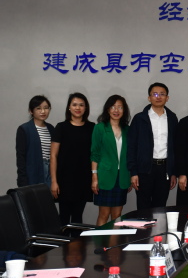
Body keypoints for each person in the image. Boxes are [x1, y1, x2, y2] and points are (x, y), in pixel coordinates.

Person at [127, 83, 178, 210]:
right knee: (143, 206)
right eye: (155, 94)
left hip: (164, 169)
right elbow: (131, 146)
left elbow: (175, 147)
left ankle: (158, 225)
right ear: (149, 98)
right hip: (144, 170)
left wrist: (173, 172)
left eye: (162, 94)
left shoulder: (172, 118)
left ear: (167, 98)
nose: (158, 97)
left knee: (160, 207)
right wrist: (133, 172)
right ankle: (144, 224)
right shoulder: (139, 118)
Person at [50, 93, 95, 225]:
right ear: (69, 107)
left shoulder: (92, 127)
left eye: (81, 105)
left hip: (83, 179)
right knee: (63, 217)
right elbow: (53, 156)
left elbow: (95, 154)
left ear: (86, 108)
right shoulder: (61, 127)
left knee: (77, 216)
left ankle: (76, 239)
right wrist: (54, 181)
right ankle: (62, 239)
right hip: (64, 180)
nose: (78, 108)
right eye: (74, 105)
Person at [91, 95, 132, 226]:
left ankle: (115, 240)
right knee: (103, 214)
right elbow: (95, 154)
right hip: (105, 177)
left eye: (120, 107)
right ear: (108, 109)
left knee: (117, 216)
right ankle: (99, 239)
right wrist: (94, 177)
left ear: (124, 110)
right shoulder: (100, 128)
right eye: (113, 107)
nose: (116, 110)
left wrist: (131, 175)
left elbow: (130, 154)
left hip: (122, 177)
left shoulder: (127, 129)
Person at [16, 95, 54, 187]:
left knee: (49, 195)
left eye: (46, 108)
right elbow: (21, 157)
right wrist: (22, 180)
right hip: (33, 172)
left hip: (50, 171)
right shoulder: (24, 129)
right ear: (31, 111)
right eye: (38, 108)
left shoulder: (51, 128)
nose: (43, 111)